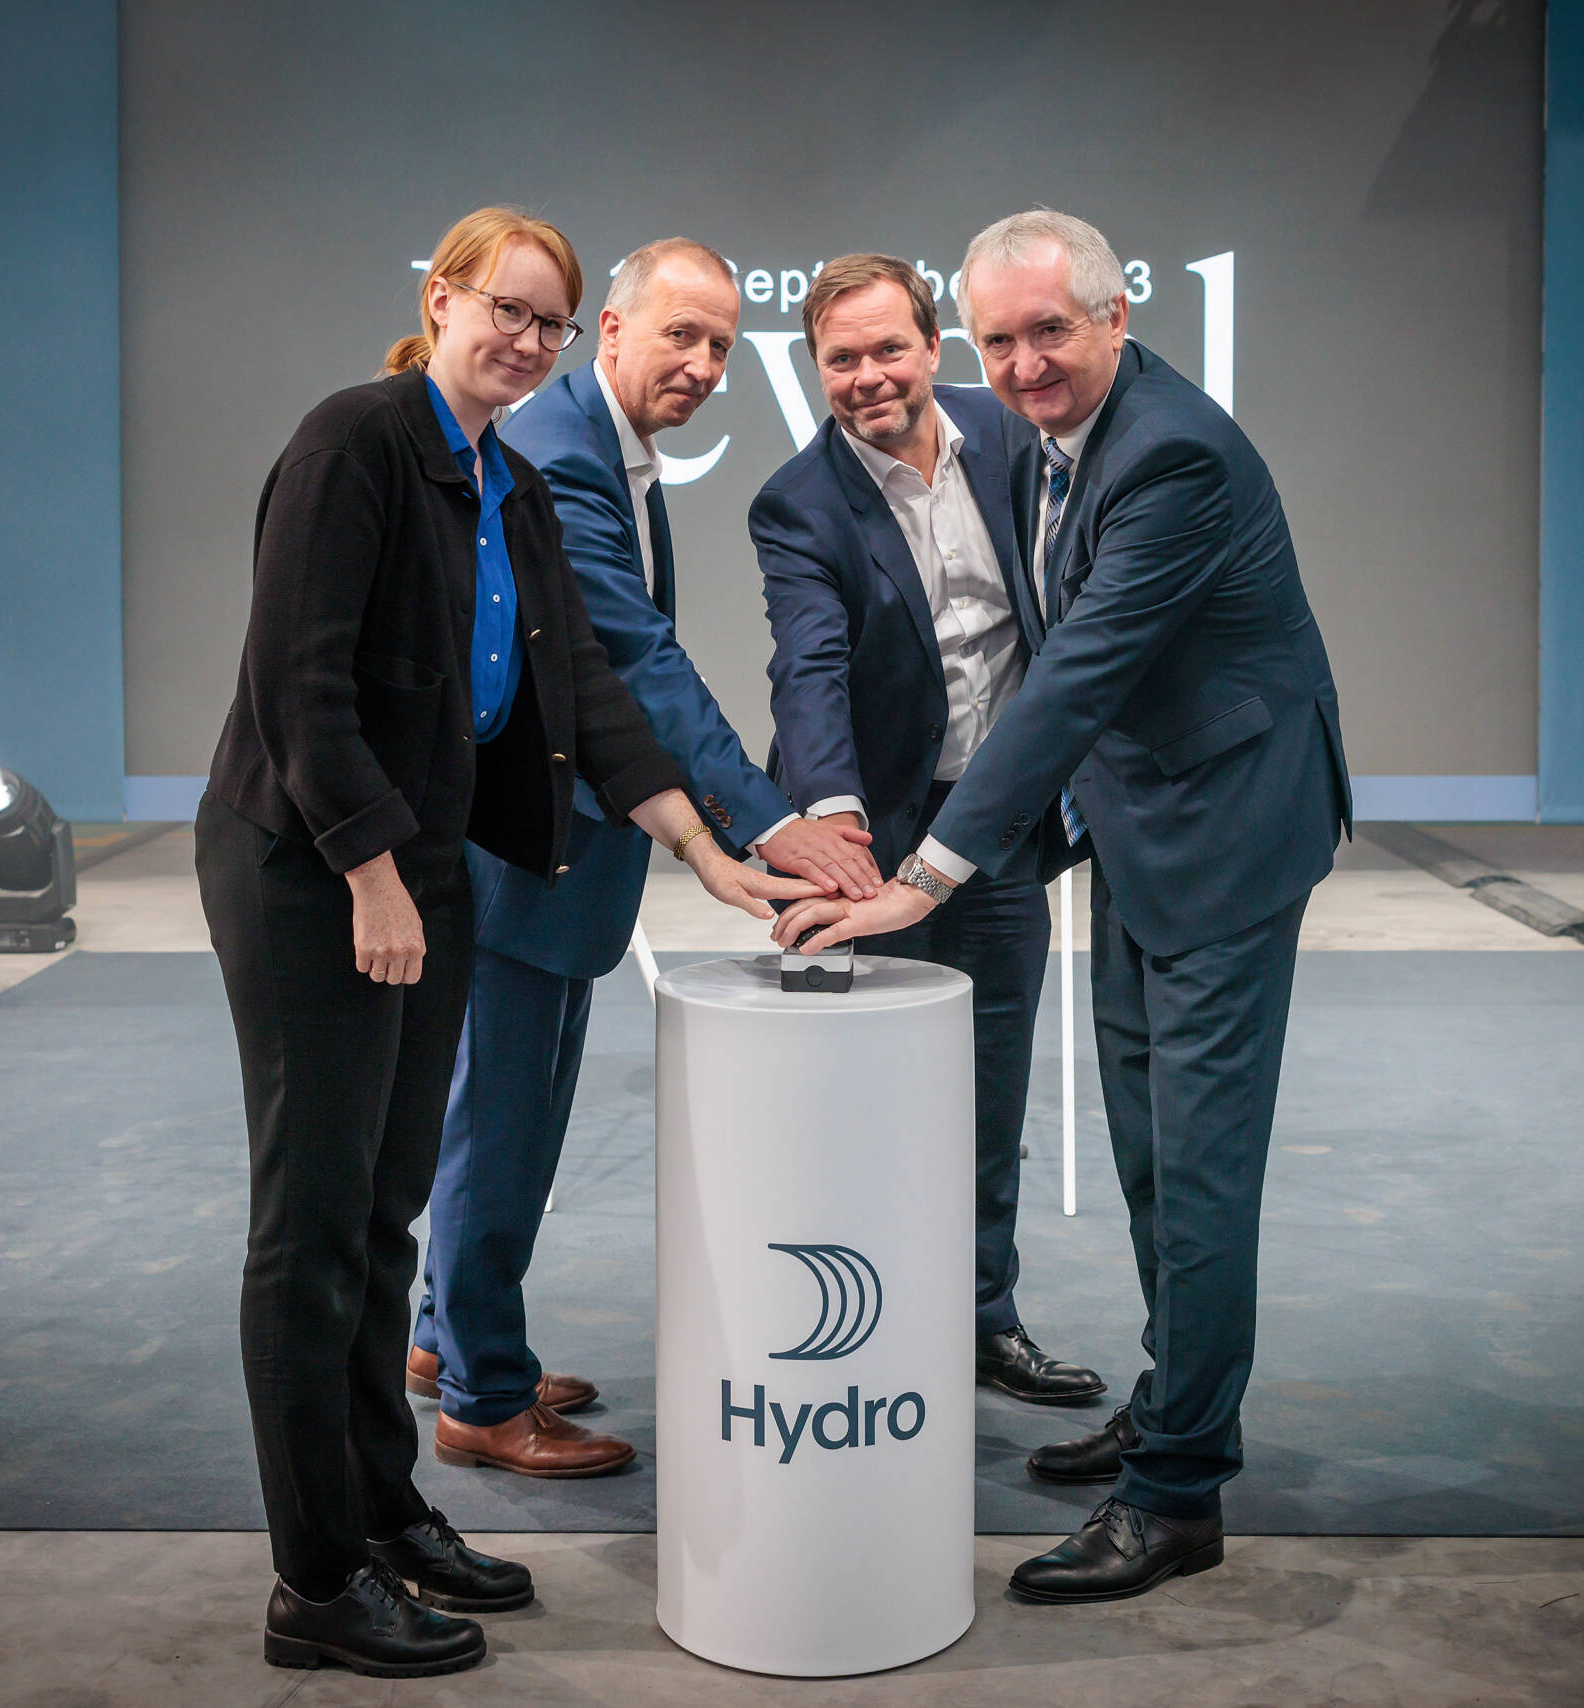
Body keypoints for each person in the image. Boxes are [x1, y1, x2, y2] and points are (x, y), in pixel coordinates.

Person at [198, 205, 814, 1678]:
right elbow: (298, 683)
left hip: (423, 862)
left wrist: (705, 851)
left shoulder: (507, 482)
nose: (529, 341)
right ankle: (314, 1579)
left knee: (386, 1211)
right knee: (313, 1227)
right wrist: (369, 873)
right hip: (309, 866)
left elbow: (587, 693)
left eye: (550, 321)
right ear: (444, 299)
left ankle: (386, 1511)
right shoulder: (352, 443)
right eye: (509, 310)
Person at [773, 210, 1352, 1604]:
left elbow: (1077, 673)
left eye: (1051, 331)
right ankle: (1172, 1407)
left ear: (1116, 319)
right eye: (1002, 339)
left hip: (1224, 840)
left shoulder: (1171, 457)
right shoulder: (1040, 438)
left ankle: (1178, 1493)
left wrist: (926, 874)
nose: (1025, 363)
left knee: (1197, 1172)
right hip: (1139, 833)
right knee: (1151, 1154)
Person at [409, 237, 878, 1477]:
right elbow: (637, 662)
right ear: (609, 330)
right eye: (681, 334)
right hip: (527, 854)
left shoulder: (602, 444)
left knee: (501, 1115)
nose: (705, 364)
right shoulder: (566, 452)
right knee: (500, 1125)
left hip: (564, 849)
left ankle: (445, 1337)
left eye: (721, 343)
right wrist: (766, 820)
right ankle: (484, 1395)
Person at [749, 252, 1105, 1406]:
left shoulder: (1009, 436)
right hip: (869, 842)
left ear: (932, 346)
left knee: (988, 1091)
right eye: (840, 358)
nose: (868, 376)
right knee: (861, 1102)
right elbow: (806, 670)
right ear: (815, 368)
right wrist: (834, 827)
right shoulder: (797, 503)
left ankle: (982, 1321)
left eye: (887, 349)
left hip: (996, 829)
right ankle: (864, 1328)